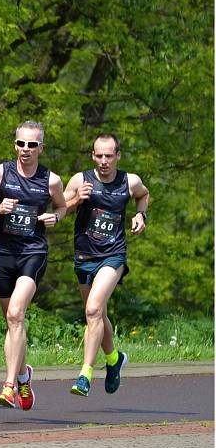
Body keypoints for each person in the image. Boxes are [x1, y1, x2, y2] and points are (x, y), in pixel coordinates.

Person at [0, 121, 66, 410]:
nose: (26, 150)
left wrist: (56, 217)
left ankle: (9, 385)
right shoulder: (0, 173)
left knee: (16, 313)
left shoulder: (51, 180)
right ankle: (25, 375)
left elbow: (62, 207)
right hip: (3, 253)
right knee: (13, 323)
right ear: (15, 145)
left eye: (32, 144)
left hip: (32, 252)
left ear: (41, 148)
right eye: (21, 144)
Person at [63, 133, 149, 397]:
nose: (103, 161)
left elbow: (143, 195)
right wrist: (77, 199)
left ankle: (85, 375)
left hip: (113, 255)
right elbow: (60, 208)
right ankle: (114, 360)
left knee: (93, 310)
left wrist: (140, 214)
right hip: (84, 256)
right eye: (98, 155)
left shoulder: (129, 181)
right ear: (92, 156)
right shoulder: (80, 179)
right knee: (98, 315)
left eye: (108, 156)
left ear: (118, 156)